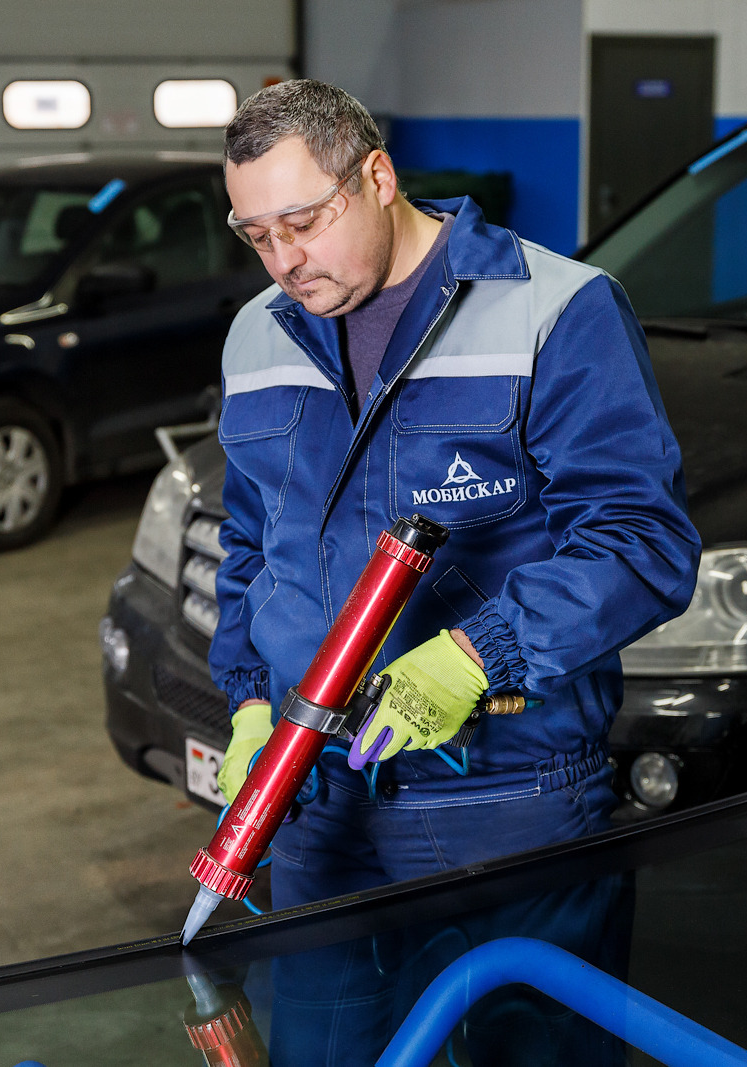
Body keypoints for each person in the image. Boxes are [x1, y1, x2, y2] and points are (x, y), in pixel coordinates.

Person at [208, 76, 697, 945]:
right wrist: (249, 702)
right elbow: (251, 539)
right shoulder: (257, 332)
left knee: (525, 1037)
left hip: (499, 791)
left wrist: (481, 653)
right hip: (310, 792)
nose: (285, 262)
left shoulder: (556, 310)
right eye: (258, 237)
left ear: (378, 177)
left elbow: (642, 542)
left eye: (304, 223)